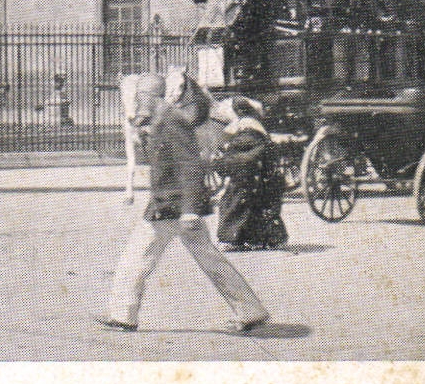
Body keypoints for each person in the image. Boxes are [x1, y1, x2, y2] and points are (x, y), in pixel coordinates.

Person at [99, 68, 270, 334]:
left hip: (173, 207)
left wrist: (190, 211)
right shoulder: (159, 119)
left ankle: (123, 316)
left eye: (143, 95)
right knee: (210, 259)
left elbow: (190, 165)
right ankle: (251, 311)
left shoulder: (169, 119)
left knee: (136, 258)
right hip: (173, 205)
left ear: (153, 96)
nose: (138, 101)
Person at [213, 102, 288, 251]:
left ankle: (232, 239)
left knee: (234, 204)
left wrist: (218, 163)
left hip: (248, 181)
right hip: (262, 180)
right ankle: (264, 238)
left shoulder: (246, 135)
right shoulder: (257, 132)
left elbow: (240, 160)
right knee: (259, 208)